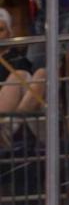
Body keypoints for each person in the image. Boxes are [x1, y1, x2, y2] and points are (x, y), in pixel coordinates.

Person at [0, 8, 45, 147]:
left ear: (9, 33)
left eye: (0, 30)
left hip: (26, 119)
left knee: (33, 74)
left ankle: (6, 128)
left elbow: (33, 98)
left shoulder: (18, 60)